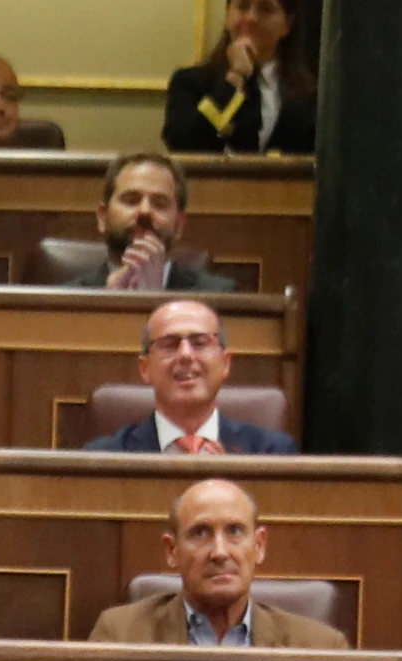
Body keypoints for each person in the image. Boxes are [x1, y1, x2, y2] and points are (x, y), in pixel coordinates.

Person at [90, 479, 348, 649]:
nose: (220, 552)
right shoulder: (120, 635)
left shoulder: (318, 645)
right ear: (172, 550)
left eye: (235, 531)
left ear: (259, 546)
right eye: (200, 533)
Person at [83, 298, 295, 454]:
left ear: (225, 363)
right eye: (169, 344)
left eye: (200, 343)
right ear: (145, 368)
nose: (185, 355)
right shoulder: (106, 456)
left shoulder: (270, 452)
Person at [77, 151, 239, 293]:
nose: (145, 211)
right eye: (131, 200)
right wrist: (109, 302)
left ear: (179, 226)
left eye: (160, 204)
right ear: (102, 217)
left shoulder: (219, 297)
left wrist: (155, 300)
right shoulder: (66, 301)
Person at [168, 0, 314, 154]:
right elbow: (182, 143)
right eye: (243, 7)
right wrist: (235, 77)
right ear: (227, 16)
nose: (251, 18)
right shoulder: (190, 81)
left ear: (287, 25)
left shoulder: (311, 94)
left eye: (266, 9)